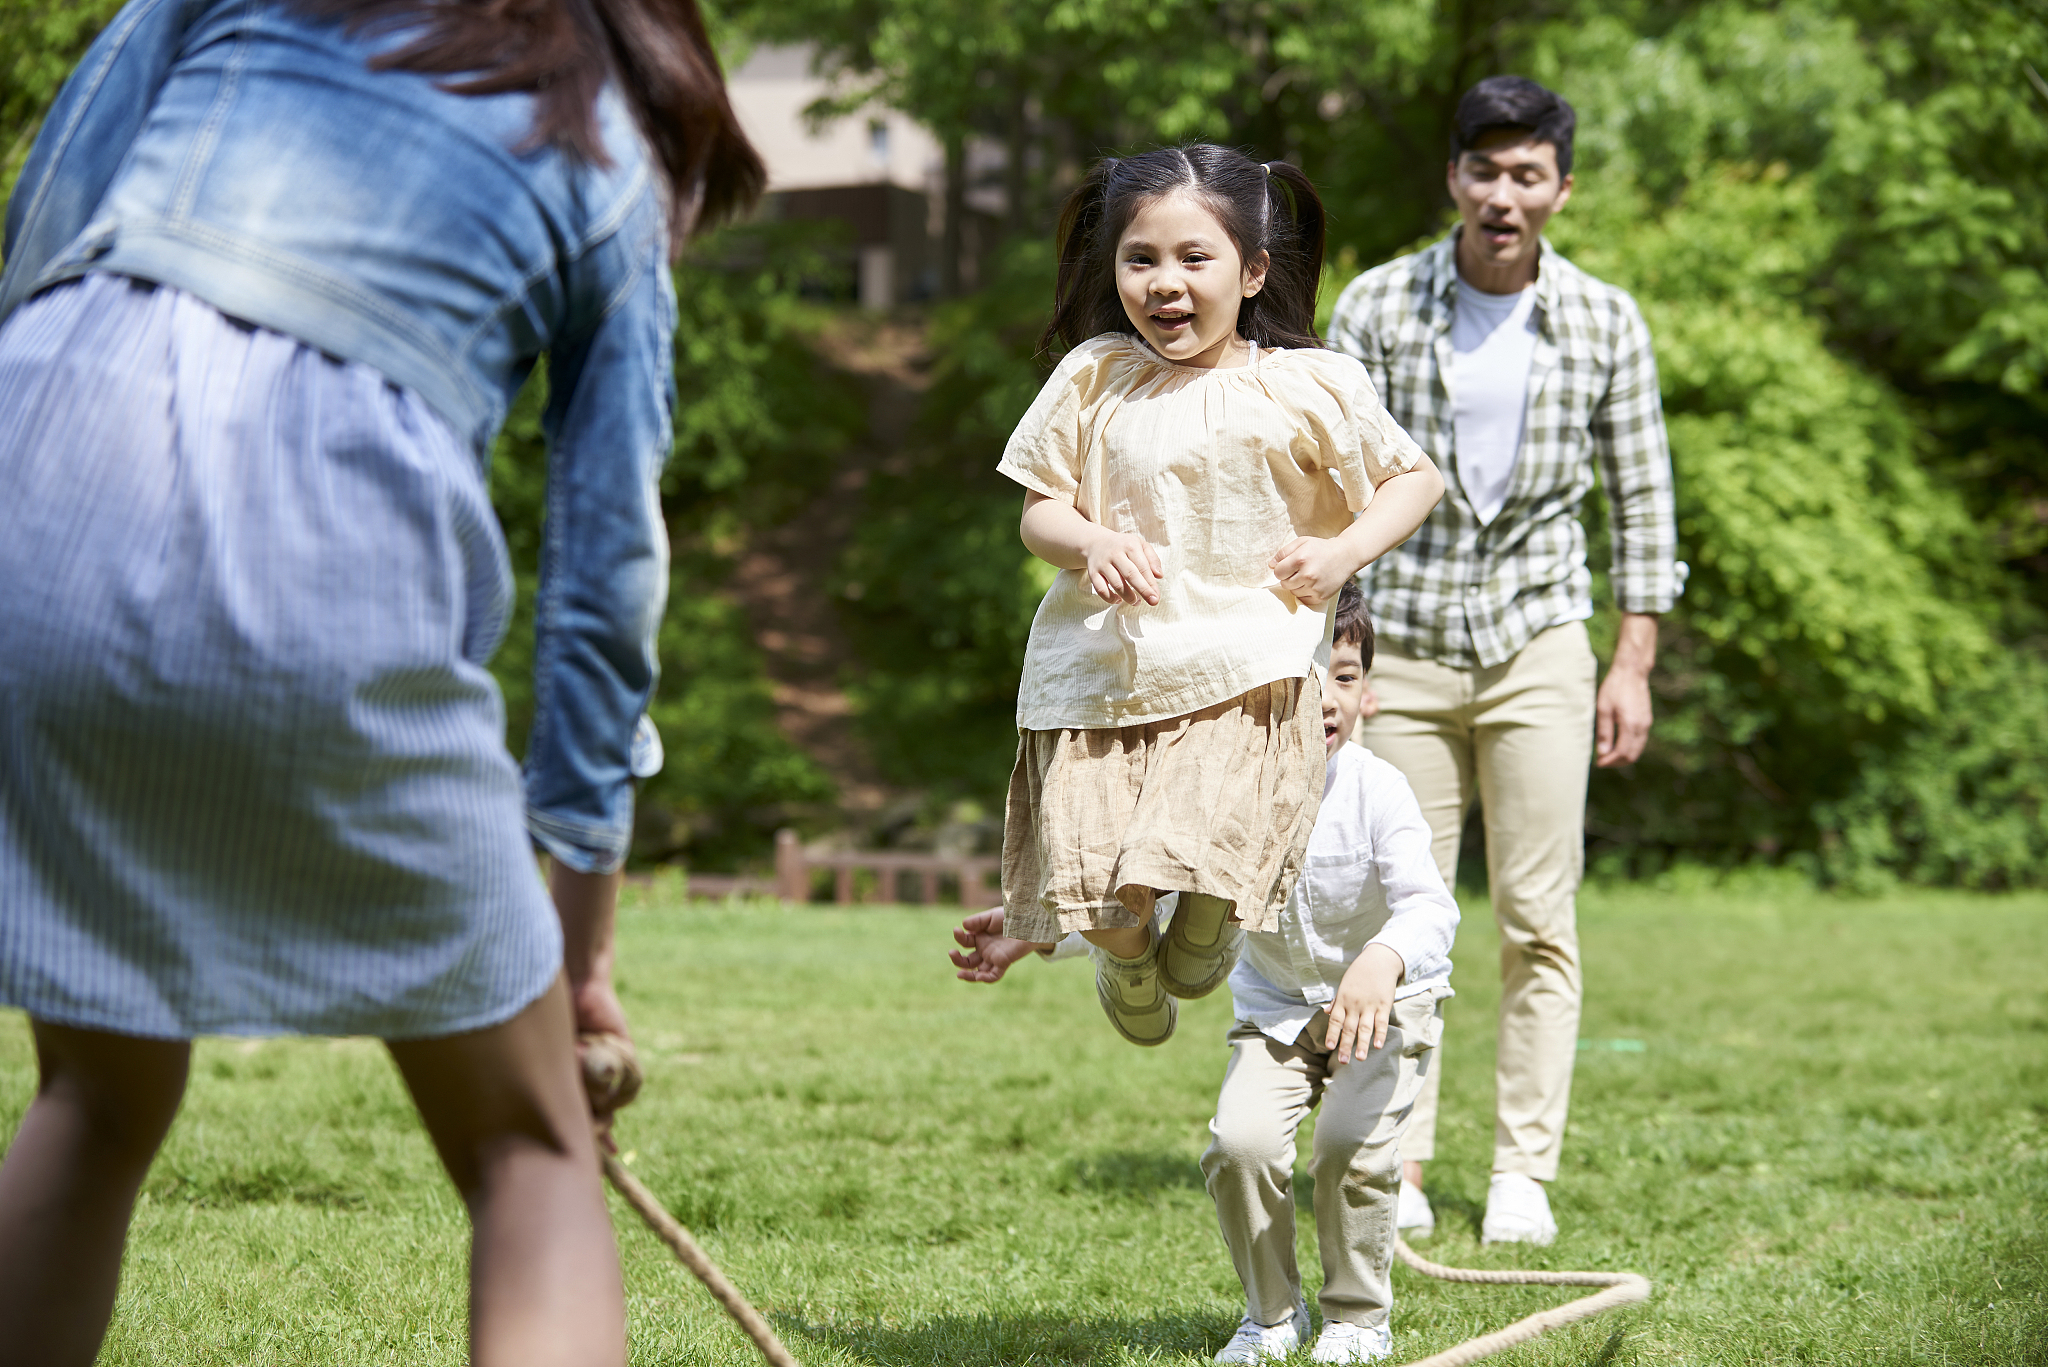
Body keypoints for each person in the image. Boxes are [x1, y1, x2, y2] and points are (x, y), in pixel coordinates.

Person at [0, 2, 762, 1364]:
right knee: (530, 1145)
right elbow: (608, 574)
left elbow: (48, 232)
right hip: (319, 520)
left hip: (37, 464)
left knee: (98, 1090)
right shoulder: (615, 144)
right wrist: (580, 942)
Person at [1325, 75, 1682, 1245]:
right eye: (1483, 170)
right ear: (1453, 180)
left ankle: (1522, 1167)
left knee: (1537, 912)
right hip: (1405, 647)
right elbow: (1330, 484)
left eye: (1527, 174)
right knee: (1400, 906)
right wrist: (1338, 658)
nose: (1502, 194)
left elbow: (1642, 500)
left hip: (1537, 641)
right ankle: (1404, 1157)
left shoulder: (1603, 320)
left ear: (1559, 191)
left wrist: (1628, 661)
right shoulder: (1376, 307)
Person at [997, 144, 1444, 1048]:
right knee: (1100, 894)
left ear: (1253, 270)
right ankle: (1124, 961)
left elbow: (1415, 479)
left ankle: (1204, 931)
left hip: (1244, 677)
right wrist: (1092, 540)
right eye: (1141, 258)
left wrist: (1342, 550)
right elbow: (1039, 513)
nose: (1166, 282)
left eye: (1194, 258)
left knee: (1204, 896)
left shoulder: (1311, 384)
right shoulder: (1093, 375)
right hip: (1103, 678)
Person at [952, 583, 1459, 1365]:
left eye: (1346, 674)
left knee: (1350, 1145)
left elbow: (1431, 907)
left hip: (1381, 1006)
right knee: (1241, 1144)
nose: (1324, 696)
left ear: (1371, 696)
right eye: (1305, 672)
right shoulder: (1224, 797)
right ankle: (1271, 1314)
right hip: (1279, 1012)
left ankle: (1358, 1317)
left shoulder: (1376, 789)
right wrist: (1037, 937)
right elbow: (1156, 903)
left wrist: (1383, 959)